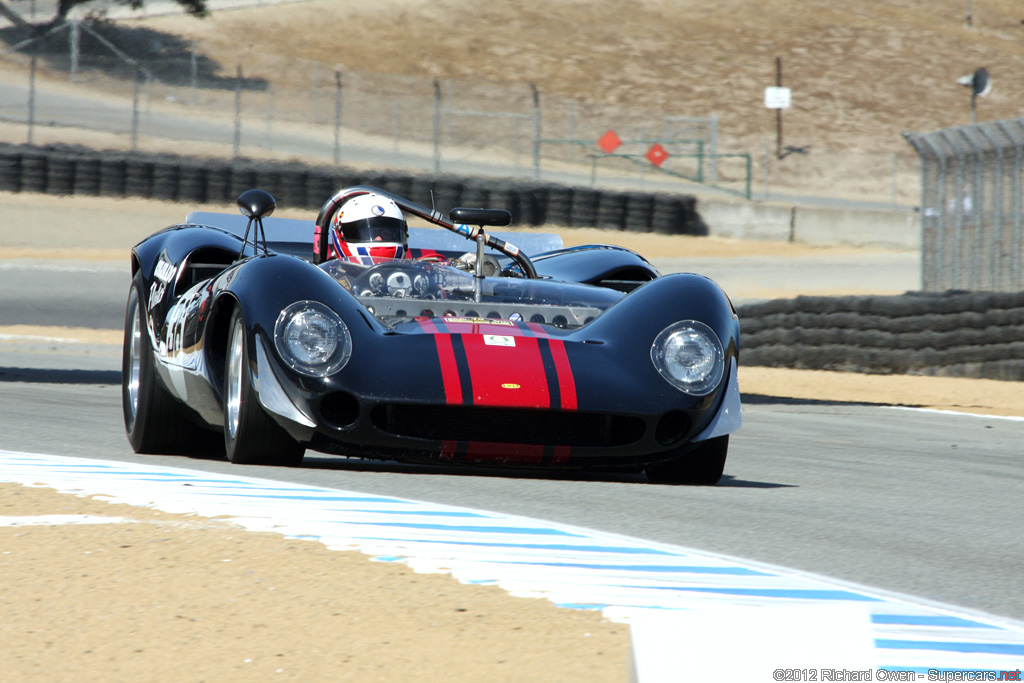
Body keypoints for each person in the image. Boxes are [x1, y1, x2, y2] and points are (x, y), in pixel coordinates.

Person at [327, 192, 409, 265]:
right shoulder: (325, 279)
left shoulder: (413, 277)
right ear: (340, 234)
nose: (379, 239)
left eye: (387, 234)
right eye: (367, 234)